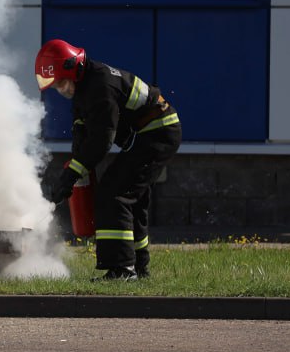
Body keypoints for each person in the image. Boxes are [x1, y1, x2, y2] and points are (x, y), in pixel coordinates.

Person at [35, 39, 181, 280]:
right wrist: (73, 174)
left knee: (113, 193)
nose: (60, 90)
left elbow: (102, 140)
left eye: (60, 82)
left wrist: (72, 172)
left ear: (72, 68)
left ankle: (122, 269)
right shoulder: (84, 89)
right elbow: (83, 134)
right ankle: (139, 267)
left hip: (158, 133)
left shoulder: (100, 86)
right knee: (133, 200)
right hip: (146, 136)